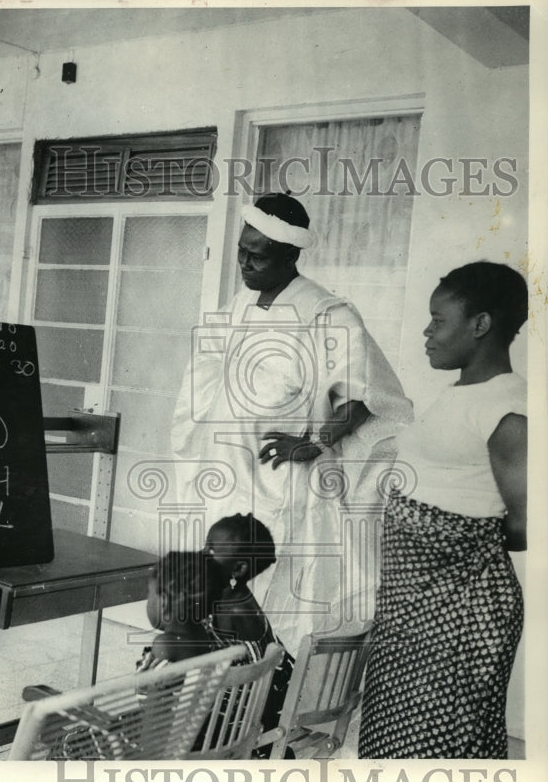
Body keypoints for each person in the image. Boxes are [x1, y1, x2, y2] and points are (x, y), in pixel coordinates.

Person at [171, 192, 413, 654]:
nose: (244, 263)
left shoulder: (327, 313)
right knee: (218, 589)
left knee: (277, 597)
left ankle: (273, 694)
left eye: (256, 256)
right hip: (229, 476)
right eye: (241, 251)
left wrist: (316, 443)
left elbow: (360, 393)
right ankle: (223, 695)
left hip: (284, 484)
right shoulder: (240, 304)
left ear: (289, 255)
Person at [358, 260, 528, 759]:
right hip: (411, 612)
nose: (427, 332)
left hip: (456, 618)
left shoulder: (508, 409)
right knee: (393, 746)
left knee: (439, 755)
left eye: (439, 320)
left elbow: (527, 522)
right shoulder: (459, 394)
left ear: (480, 325)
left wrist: (446, 542)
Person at [204, 512, 296, 758]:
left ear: (239, 568)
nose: (202, 555)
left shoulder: (226, 608)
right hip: (258, 707)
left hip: (232, 722)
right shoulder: (243, 600)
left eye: (211, 550)